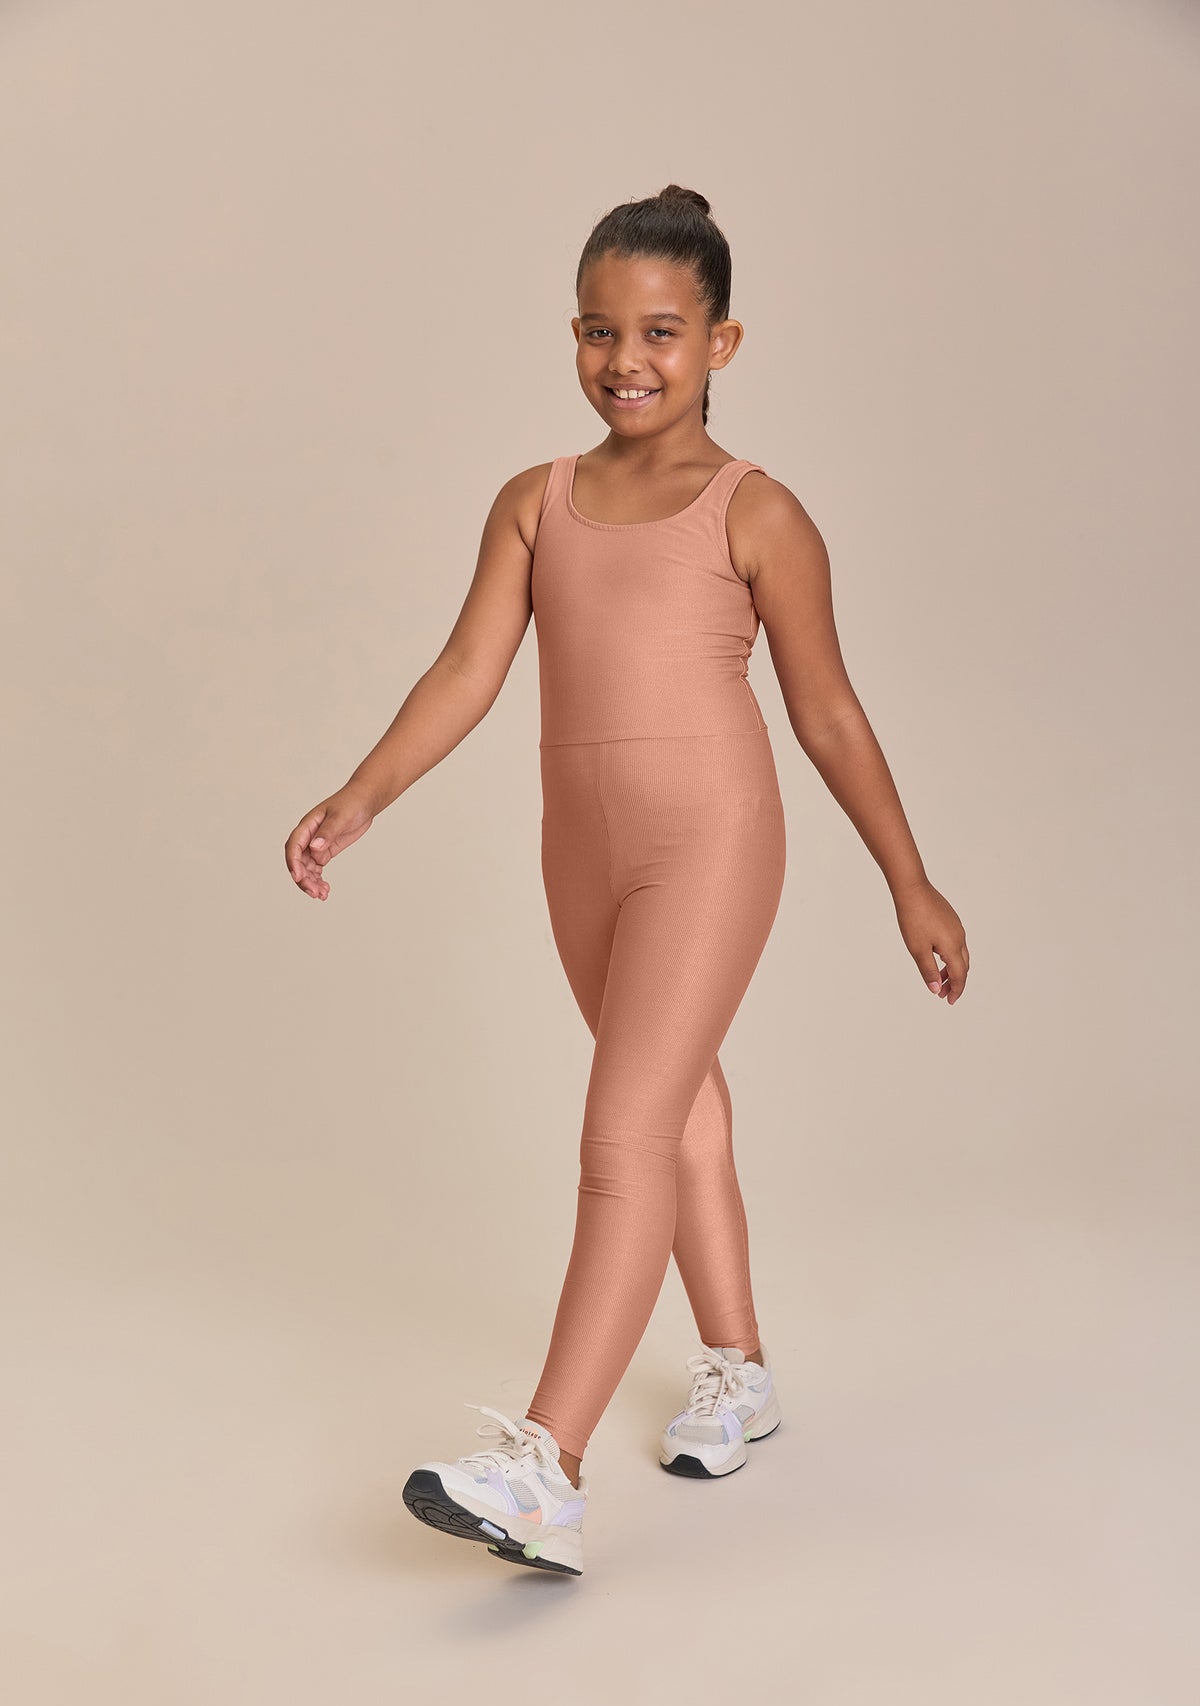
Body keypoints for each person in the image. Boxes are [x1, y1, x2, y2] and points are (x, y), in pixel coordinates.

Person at [284, 183, 969, 1578]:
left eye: (661, 331)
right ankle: (739, 1370)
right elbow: (467, 670)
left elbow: (828, 713)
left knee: (623, 1132)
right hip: (579, 852)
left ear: (722, 343)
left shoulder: (758, 512)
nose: (627, 360)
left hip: (708, 842)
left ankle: (547, 1464)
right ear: (575, 337)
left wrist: (911, 881)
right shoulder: (533, 503)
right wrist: (362, 794)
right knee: (681, 1106)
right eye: (600, 330)